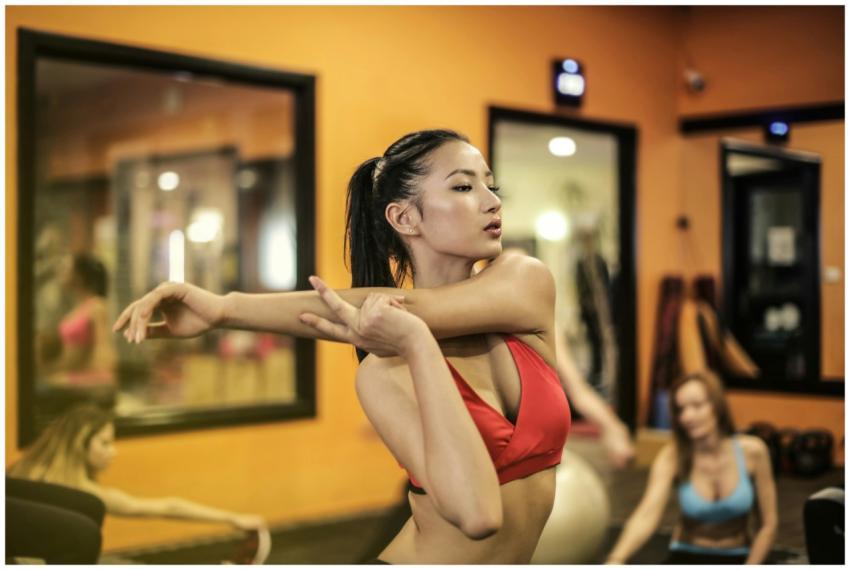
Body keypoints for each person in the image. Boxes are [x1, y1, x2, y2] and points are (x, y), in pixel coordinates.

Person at [112, 129, 573, 563]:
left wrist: (226, 309)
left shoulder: (525, 281)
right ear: (404, 217)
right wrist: (221, 312)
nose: (492, 202)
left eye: (491, 186)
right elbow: (478, 517)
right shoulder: (384, 373)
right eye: (463, 188)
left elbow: (410, 308)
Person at [605, 370, 777, 564]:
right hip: (687, 556)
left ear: (717, 405)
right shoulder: (673, 456)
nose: (687, 416)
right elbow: (647, 513)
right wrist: (616, 559)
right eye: (680, 409)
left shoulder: (753, 452)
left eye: (697, 406)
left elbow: (768, 525)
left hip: (739, 556)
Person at [8, 404, 267, 533]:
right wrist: (232, 519)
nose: (113, 452)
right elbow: (168, 507)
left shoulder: (19, 473)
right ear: (80, 443)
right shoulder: (85, 495)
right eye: (105, 443)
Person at [38, 254, 117, 386]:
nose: (61, 272)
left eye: (66, 268)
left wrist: (101, 378)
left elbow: (104, 349)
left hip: (85, 378)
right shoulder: (78, 308)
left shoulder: (96, 306)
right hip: (68, 374)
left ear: (79, 276)